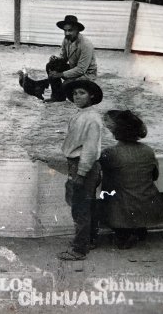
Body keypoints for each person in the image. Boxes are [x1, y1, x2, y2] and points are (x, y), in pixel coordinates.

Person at [99, 110, 163, 250]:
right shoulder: (148, 150)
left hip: (123, 209)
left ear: (116, 132)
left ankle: (124, 232)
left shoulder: (109, 153)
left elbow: (102, 178)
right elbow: (155, 176)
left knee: (109, 188)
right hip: (148, 206)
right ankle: (138, 229)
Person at [57, 79, 103, 261]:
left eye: (82, 93)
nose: (77, 96)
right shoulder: (81, 114)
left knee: (80, 207)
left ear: (91, 95)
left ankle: (79, 249)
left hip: (83, 165)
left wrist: (81, 173)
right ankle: (89, 239)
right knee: (86, 204)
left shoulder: (92, 119)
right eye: (75, 93)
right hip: (78, 163)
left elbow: (90, 149)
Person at [44, 15, 97, 103]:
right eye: (65, 30)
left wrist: (60, 74)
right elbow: (64, 58)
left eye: (70, 30)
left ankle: (64, 93)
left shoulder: (86, 45)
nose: (67, 33)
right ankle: (57, 97)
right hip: (74, 69)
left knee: (66, 85)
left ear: (77, 30)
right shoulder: (66, 40)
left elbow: (81, 69)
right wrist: (56, 59)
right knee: (51, 66)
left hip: (86, 74)